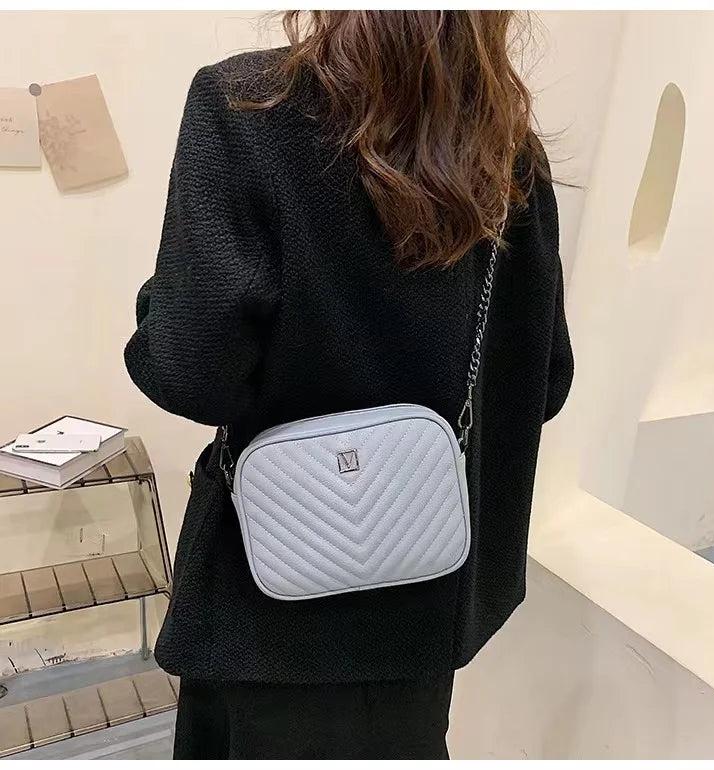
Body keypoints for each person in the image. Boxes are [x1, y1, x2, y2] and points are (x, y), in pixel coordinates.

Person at [124, 10, 573, 760]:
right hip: (425, 599)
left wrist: (159, 303)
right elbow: (545, 382)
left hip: (270, 610)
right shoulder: (506, 146)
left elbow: (190, 372)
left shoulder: (247, 106)